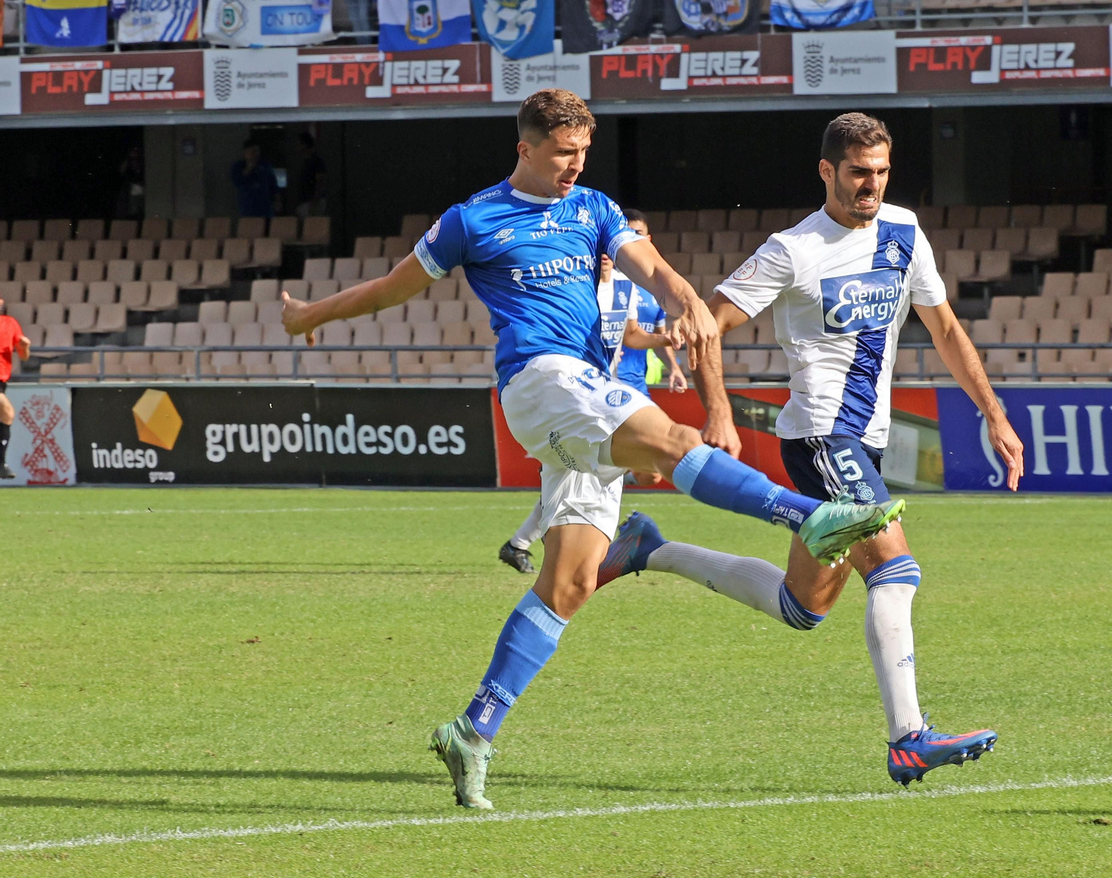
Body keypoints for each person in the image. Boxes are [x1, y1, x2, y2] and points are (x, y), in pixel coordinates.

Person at [279, 90, 903, 810]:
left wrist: (684, 300)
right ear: (526, 149)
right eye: (562, 153)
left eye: (582, 153)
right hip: (541, 382)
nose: (574, 166)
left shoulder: (595, 209)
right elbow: (393, 289)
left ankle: (472, 730)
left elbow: (654, 270)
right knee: (675, 440)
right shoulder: (472, 219)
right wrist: (309, 317)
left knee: (571, 581)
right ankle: (806, 516)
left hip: (585, 403)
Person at [590, 112, 1026, 787]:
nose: (871, 185)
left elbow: (942, 327)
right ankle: (908, 737)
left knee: (804, 606)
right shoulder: (792, 249)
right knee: (896, 569)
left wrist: (992, 413)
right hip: (823, 435)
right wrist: (720, 409)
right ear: (827, 171)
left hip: (866, 441)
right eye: (858, 173)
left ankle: (652, 549)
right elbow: (709, 323)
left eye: (881, 171)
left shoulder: (905, 232)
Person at [497, 209, 689, 575]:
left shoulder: (630, 287)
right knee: (587, 469)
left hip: (618, 389)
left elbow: (631, 334)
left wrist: (668, 345)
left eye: (639, 234)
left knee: (620, 471)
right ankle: (560, 549)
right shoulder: (574, 283)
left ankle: (529, 544)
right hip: (580, 395)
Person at [0, 299, 33, 480]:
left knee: (7, 415)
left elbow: (24, 356)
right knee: (7, 411)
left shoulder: (10, 323)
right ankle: (1, 464)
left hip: (2, 379)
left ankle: (1, 464)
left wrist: (24, 347)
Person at [231, 140, 278, 219]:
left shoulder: (265, 165)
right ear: (245, 153)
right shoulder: (238, 166)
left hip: (265, 208)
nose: (255, 154)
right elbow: (237, 181)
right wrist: (249, 167)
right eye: (252, 152)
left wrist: (277, 200)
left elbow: (273, 184)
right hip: (248, 208)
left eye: (257, 151)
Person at [295, 133, 328, 219]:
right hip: (306, 202)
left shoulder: (316, 161)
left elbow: (320, 182)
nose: (297, 147)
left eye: (299, 144)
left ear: (304, 145)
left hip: (312, 203)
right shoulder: (306, 162)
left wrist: (314, 202)